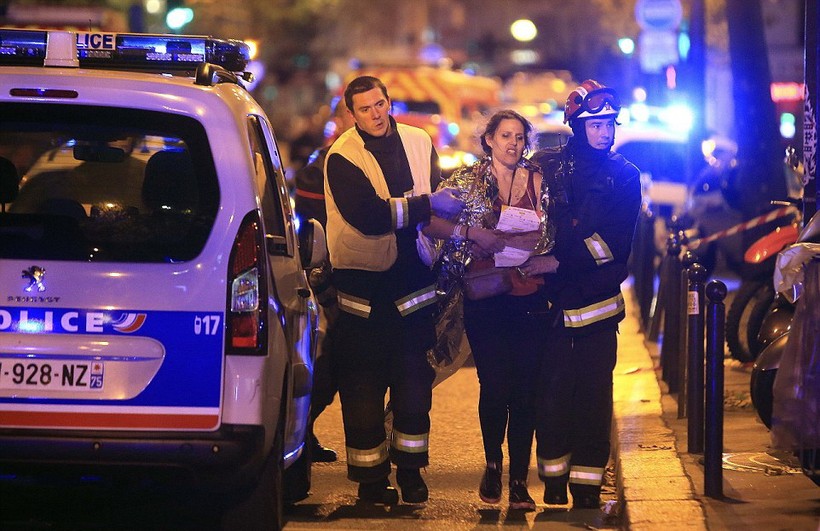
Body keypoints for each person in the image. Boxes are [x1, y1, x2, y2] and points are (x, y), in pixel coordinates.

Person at [323, 75, 465, 505]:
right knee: (362, 390)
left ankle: (411, 473)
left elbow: (435, 195)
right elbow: (369, 216)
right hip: (363, 295)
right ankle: (370, 481)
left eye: (380, 104)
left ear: (389, 102)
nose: (375, 114)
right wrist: (427, 206)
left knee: (413, 389)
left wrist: (460, 230)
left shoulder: (420, 142)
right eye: (364, 109)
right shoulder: (342, 155)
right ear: (352, 114)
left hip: (413, 286)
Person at [523, 79, 641, 509]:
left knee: (593, 402)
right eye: (595, 124)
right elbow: (528, 223)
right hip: (550, 307)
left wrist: (557, 260)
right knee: (550, 397)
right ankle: (553, 480)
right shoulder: (547, 167)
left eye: (609, 123)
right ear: (576, 124)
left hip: (595, 308)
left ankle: (587, 487)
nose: (604, 131)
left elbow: (614, 247)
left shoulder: (625, 177)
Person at [437, 109, 555, 510]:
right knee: (495, 384)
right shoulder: (468, 181)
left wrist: (538, 248)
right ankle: (492, 464)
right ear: (488, 139)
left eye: (519, 137)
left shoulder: (540, 181)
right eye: (505, 136)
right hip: (485, 295)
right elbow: (436, 225)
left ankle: (519, 479)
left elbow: (554, 232)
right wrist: (473, 237)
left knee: (525, 389)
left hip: (529, 295)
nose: (513, 144)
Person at [293, 98, 356, 463]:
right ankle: (303, 431)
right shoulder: (321, 167)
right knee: (327, 365)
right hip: (326, 280)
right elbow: (318, 229)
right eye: (355, 113)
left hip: (362, 277)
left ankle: (305, 432)